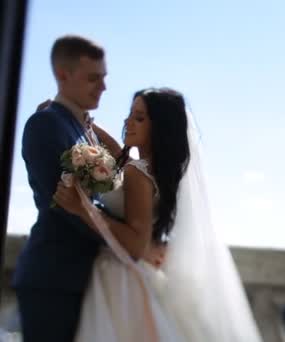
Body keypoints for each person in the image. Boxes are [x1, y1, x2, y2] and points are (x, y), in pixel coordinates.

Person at [53, 88, 262, 341]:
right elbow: (123, 158)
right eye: (130, 114)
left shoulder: (137, 173)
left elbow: (136, 244)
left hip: (123, 280)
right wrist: (91, 127)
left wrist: (82, 208)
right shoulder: (155, 171)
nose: (128, 121)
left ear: (159, 127)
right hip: (140, 275)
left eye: (139, 118)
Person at [12, 34, 107, 342]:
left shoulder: (83, 128)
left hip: (83, 278)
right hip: (53, 281)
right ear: (63, 75)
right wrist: (133, 239)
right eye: (94, 78)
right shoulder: (45, 124)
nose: (103, 87)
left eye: (104, 77)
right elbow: (67, 207)